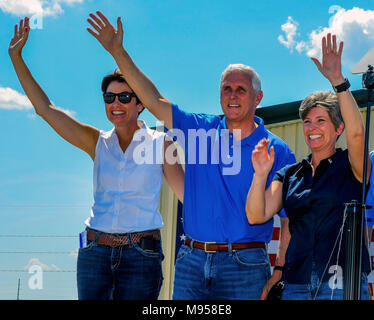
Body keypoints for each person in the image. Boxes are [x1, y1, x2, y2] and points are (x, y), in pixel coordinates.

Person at [86, 11, 296, 299]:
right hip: (191, 262)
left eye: (241, 90)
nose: (232, 95)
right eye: (226, 89)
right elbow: (153, 99)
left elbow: (289, 220)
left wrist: (281, 269)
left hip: (245, 266)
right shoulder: (198, 129)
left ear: (258, 98)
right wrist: (118, 51)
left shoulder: (278, 151)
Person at [8, 17, 184, 300]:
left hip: (141, 255)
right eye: (109, 97)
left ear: (141, 104)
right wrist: (16, 58)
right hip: (94, 253)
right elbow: (45, 109)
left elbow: (187, 195)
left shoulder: (161, 144)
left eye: (125, 97)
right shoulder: (97, 142)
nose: (115, 103)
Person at [246, 33, 372, 300]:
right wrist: (259, 175)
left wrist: (338, 81)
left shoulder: (351, 167)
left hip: (341, 285)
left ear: (339, 128)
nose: (312, 128)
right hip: (297, 285)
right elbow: (257, 215)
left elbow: (358, 134)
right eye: (307, 122)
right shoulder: (290, 174)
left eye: (320, 120)